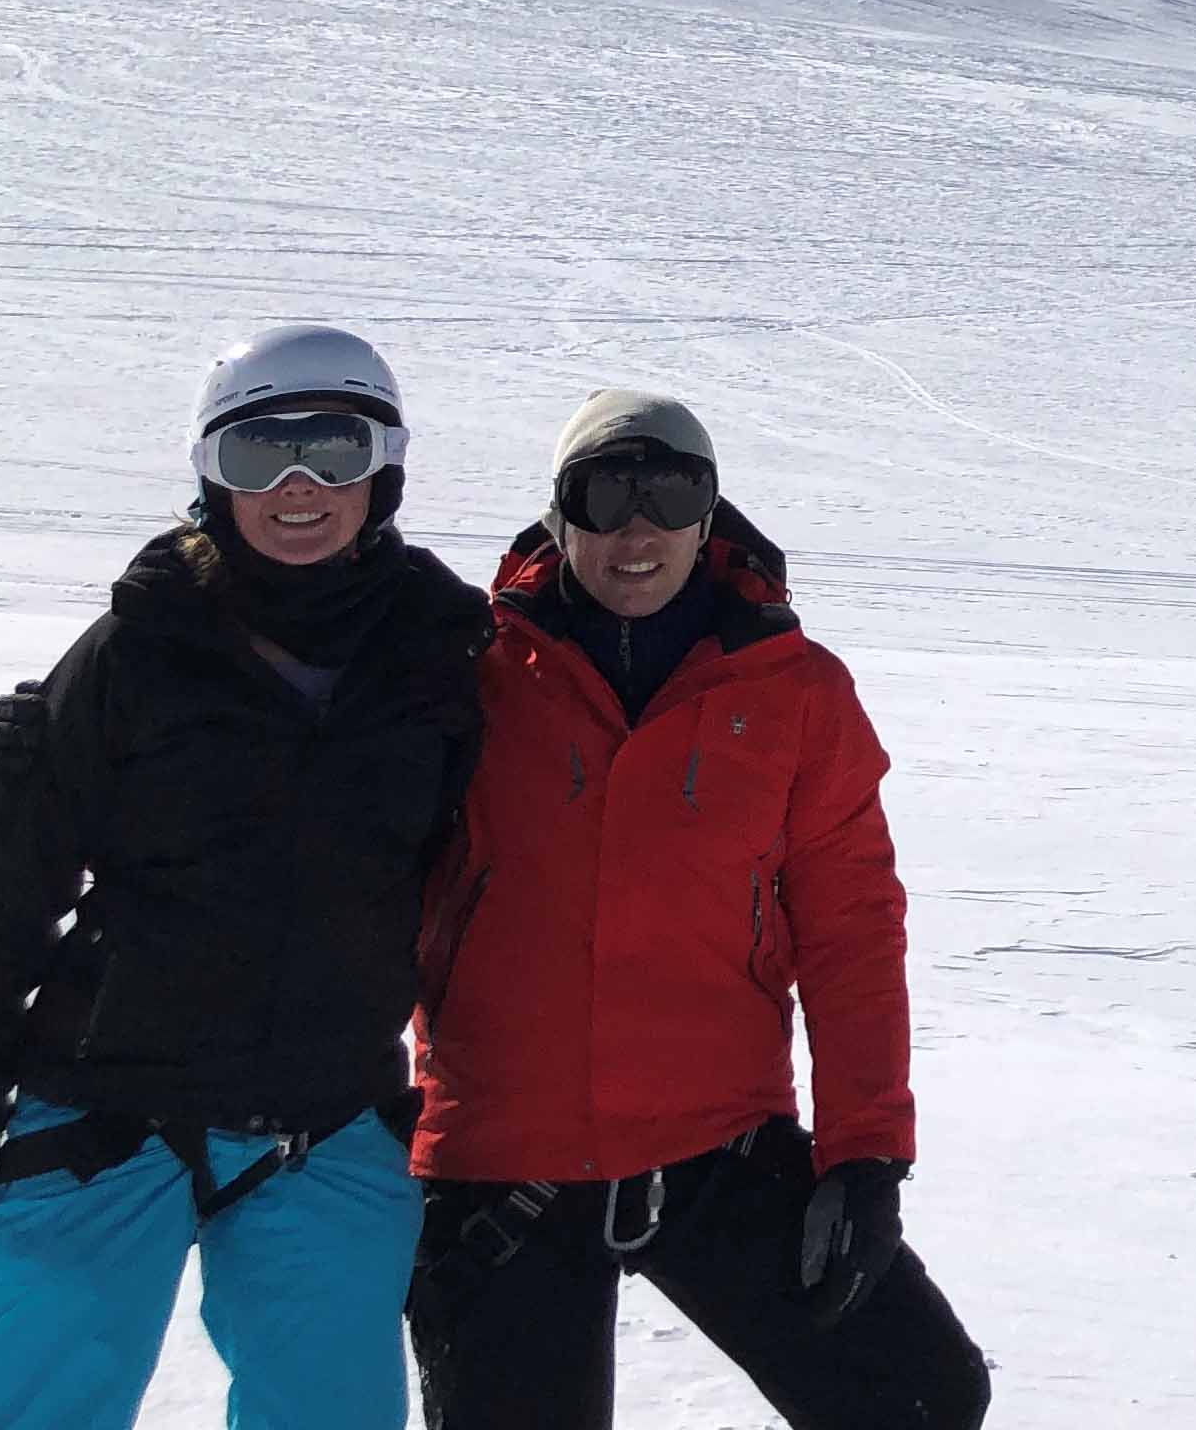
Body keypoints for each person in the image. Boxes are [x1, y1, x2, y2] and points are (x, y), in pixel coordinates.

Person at [0, 324, 488, 1430]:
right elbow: (4, 907)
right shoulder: (134, 650)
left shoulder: (447, 656)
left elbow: (525, 861)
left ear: (385, 471)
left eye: (335, 451)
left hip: (328, 1118)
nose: (299, 486)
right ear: (213, 474)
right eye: (261, 455)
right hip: (105, 1115)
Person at [400, 391, 986, 1430]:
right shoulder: (468, 673)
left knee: (919, 1395)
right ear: (559, 514)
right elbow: (317, 814)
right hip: (504, 1158)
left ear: (709, 515)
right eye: (605, 493)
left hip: (716, 1143)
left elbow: (850, 933)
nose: (638, 530)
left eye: (670, 494)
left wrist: (866, 1157)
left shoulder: (797, 693)